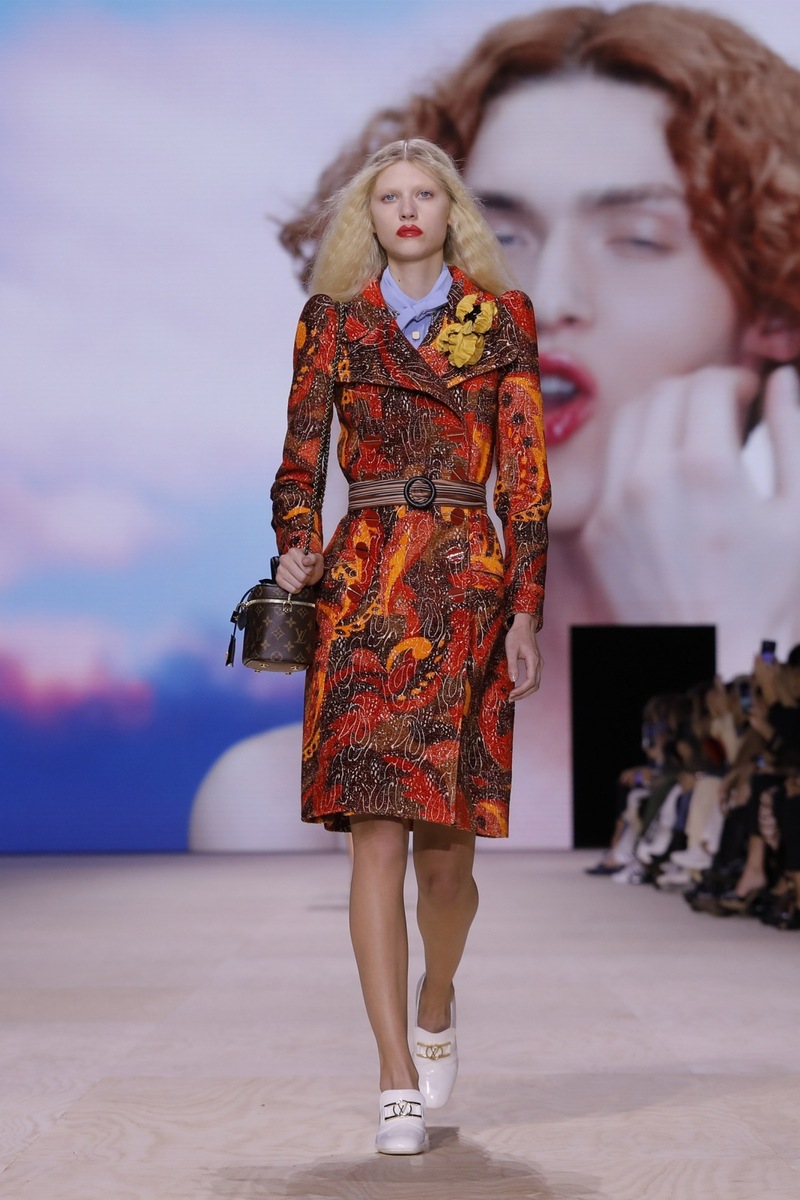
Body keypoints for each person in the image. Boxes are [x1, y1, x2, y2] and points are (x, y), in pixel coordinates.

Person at [279, 2, 800, 844]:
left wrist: (724, 654)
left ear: (774, 298)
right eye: (502, 233)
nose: (547, 297)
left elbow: (665, 909)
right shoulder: (267, 804)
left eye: (637, 239)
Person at [270, 138, 549, 1154]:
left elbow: (526, 479)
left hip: (466, 590)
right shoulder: (334, 324)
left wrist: (526, 608)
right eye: (388, 196)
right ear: (370, 216)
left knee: (445, 862)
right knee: (375, 836)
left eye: (423, 193)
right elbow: (300, 461)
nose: (405, 208)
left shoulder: (501, 322)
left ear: (449, 210)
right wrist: (295, 543)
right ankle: (393, 1076)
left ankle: (437, 996)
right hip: (363, 590)